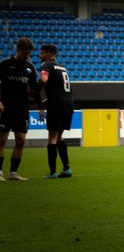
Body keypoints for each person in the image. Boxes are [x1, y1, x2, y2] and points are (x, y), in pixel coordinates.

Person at [0, 38, 43, 181]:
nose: (27, 56)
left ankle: (13, 173)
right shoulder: (5, 64)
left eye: (29, 53)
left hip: (22, 109)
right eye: (25, 53)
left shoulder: (30, 68)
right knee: (1, 140)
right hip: (5, 107)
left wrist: (41, 107)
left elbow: (34, 90)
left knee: (21, 140)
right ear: (18, 50)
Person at [37, 44, 74, 178]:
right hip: (69, 104)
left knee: (52, 137)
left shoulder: (46, 65)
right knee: (59, 137)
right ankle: (67, 168)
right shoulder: (62, 67)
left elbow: (43, 79)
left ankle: (52, 172)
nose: (40, 56)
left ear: (48, 54)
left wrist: (36, 90)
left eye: (41, 53)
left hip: (56, 106)